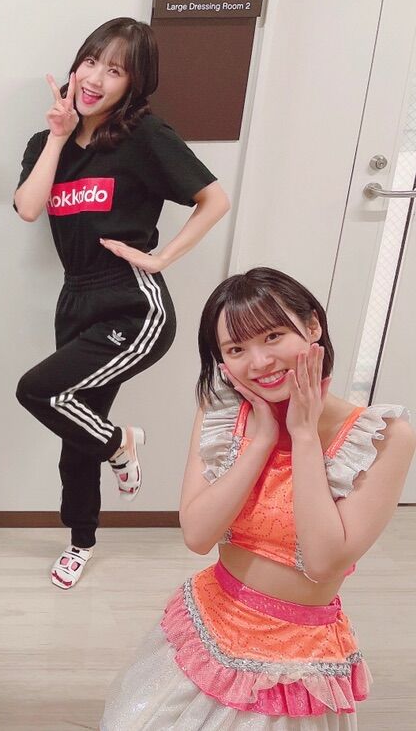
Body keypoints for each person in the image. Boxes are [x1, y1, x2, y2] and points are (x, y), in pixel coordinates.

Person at [101, 267, 415, 729]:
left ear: (312, 326)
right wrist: (262, 440)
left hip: (294, 662)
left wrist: (303, 435)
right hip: (211, 624)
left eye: (273, 336)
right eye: (236, 349)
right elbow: (198, 535)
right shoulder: (222, 413)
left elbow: (323, 562)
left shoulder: (381, 437)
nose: (260, 361)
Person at [13, 17, 230, 588]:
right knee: (73, 426)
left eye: (114, 71)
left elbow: (214, 199)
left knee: (39, 390)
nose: (94, 79)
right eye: (90, 62)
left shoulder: (144, 137)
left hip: (134, 304)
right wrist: (57, 136)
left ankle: (120, 443)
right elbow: (29, 207)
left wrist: (162, 259)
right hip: (75, 298)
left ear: (133, 84)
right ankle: (81, 539)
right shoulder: (46, 143)